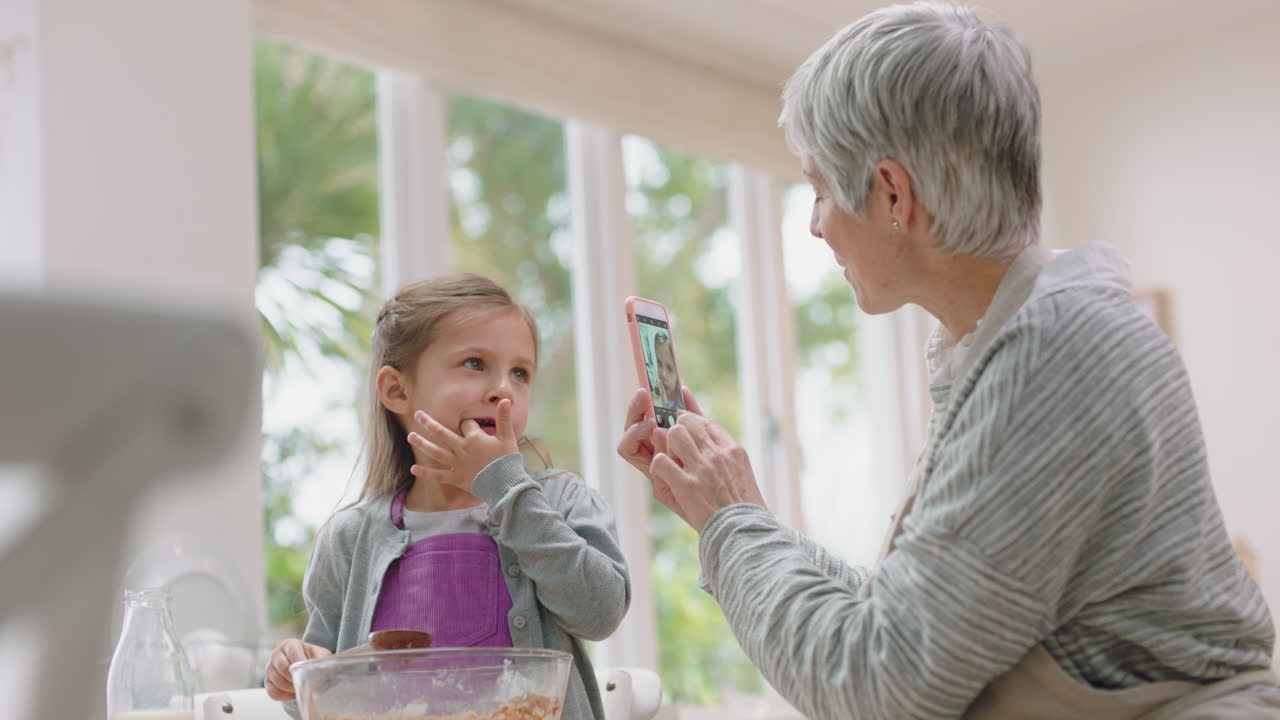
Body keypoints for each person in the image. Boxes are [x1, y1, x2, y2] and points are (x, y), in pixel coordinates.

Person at [617, 3, 1279, 719]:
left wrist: (732, 521)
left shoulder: (1051, 358)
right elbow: (903, 623)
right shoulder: (1031, 339)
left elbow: (876, 683)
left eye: (818, 190)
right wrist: (732, 510)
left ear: (893, 195)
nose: (815, 225)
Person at [266, 273, 630, 720]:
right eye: (475, 363)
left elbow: (601, 613)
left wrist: (507, 490)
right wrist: (294, 673)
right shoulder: (350, 538)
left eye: (520, 373)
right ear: (397, 391)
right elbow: (323, 686)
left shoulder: (559, 501)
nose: (504, 389)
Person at [651, 331, 681, 410]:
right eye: (659, 364)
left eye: (669, 368)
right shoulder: (653, 393)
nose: (663, 374)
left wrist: (665, 406)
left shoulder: (682, 405)